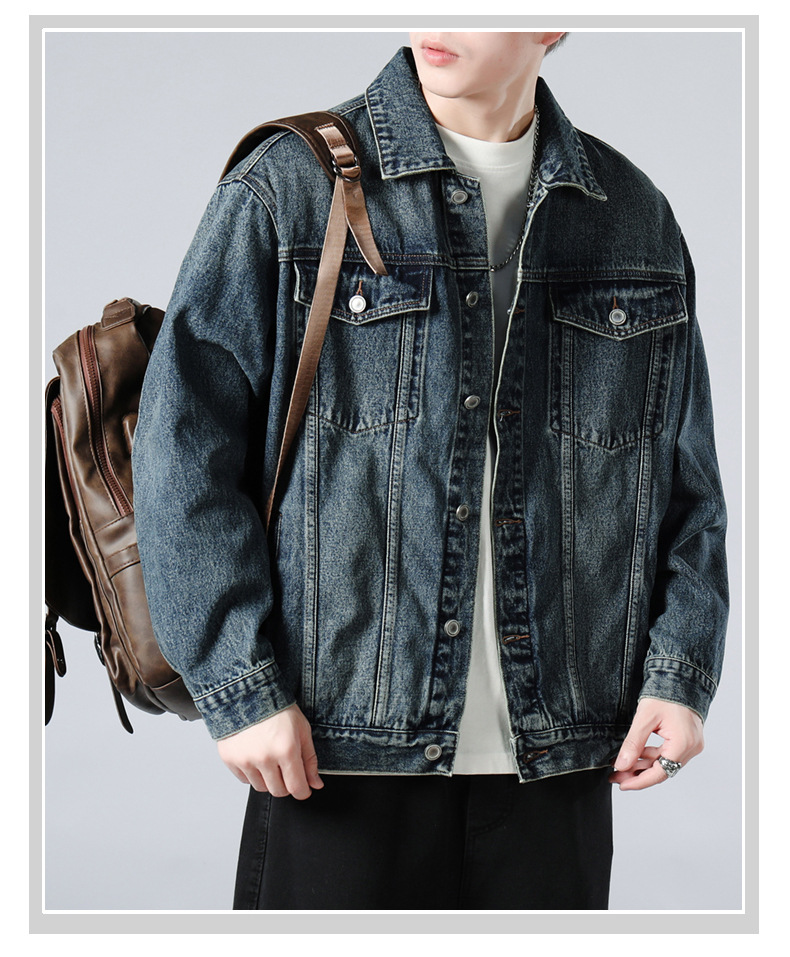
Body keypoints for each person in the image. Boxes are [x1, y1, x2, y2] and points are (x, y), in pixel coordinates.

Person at [132, 32, 728, 910]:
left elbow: (685, 484)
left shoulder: (632, 216)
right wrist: (240, 685)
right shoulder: (288, 187)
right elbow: (183, 444)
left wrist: (680, 675)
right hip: (336, 754)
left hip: (557, 760)